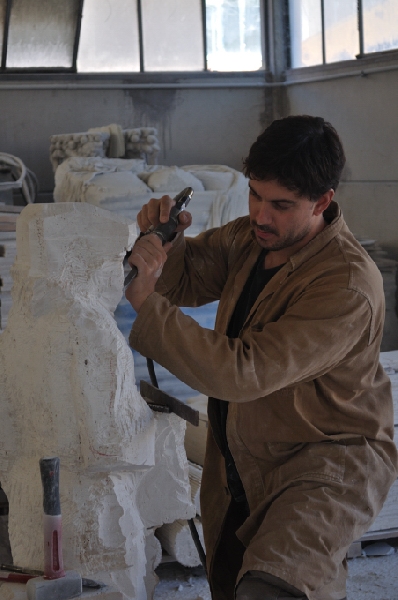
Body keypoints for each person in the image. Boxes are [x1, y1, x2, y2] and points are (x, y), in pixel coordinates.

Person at [125, 115, 398, 600]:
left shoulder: (346, 284)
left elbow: (241, 371)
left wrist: (148, 304)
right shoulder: (249, 240)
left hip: (327, 462)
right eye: (254, 194)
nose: (261, 215)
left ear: (323, 201)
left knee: (275, 587)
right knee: (229, 584)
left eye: (280, 204)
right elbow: (188, 280)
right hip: (248, 452)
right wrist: (165, 245)